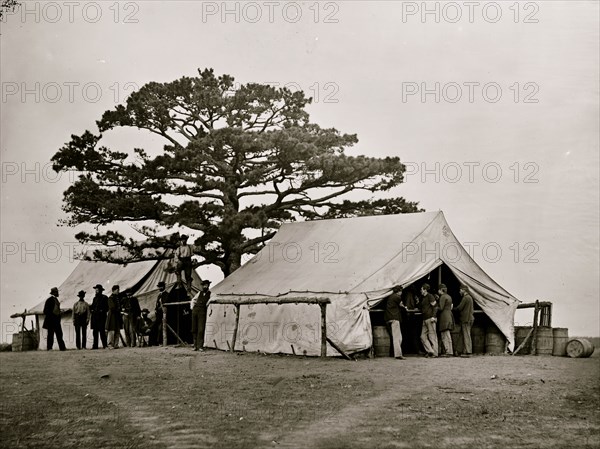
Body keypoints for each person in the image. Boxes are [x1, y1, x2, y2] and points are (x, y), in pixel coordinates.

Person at [384, 285, 406, 359]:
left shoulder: (391, 296)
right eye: (401, 291)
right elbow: (401, 305)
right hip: (394, 318)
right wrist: (405, 307)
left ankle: (397, 353)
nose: (401, 293)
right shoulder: (397, 297)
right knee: (397, 337)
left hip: (389, 317)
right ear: (399, 291)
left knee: (398, 337)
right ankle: (398, 354)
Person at [191, 280, 211, 351]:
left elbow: (213, 299)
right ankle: (195, 346)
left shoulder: (211, 294)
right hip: (195, 311)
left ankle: (200, 346)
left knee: (201, 329)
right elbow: (193, 300)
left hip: (202, 312)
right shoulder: (199, 293)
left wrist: (207, 303)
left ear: (208, 286)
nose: (205, 286)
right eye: (204, 285)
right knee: (194, 328)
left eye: (206, 285)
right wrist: (192, 308)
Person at [419, 283, 439, 357]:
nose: (420, 290)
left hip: (430, 318)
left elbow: (435, 307)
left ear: (425, 290)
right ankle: (430, 351)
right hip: (425, 319)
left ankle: (435, 353)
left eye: (421, 289)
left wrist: (433, 316)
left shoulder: (430, 296)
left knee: (432, 336)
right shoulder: (423, 297)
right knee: (422, 336)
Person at [456, 284, 475, 357]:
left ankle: (468, 352)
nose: (459, 291)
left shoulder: (465, 298)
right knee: (462, 335)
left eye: (460, 290)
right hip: (470, 318)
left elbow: (460, 308)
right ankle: (459, 350)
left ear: (464, 290)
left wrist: (453, 308)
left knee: (466, 335)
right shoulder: (470, 298)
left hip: (466, 319)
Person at [437, 284, 455, 357]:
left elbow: (441, 308)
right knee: (448, 335)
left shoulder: (443, 297)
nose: (438, 291)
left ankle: (448, 351)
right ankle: (450, 351)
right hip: (449, 316)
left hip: (444, 317)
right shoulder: (449, 296)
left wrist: (435, 305)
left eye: (438, 289)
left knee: (444, 335)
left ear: (441, 290)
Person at [149, 281, 169, 346]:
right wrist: (156, 309)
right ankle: (154, 342)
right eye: (159, 287)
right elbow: (157, 304)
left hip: (163, 314)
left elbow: (165, 304)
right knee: (155, 327)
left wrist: (161, 307)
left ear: (163, 287)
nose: (159, 288)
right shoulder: (159, 295)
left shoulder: (166, 294)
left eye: (160, 287)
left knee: (161, 328)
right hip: (158, 314)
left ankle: (161, 342)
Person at [90, 284, 109, 349]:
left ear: (100, 290)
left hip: (102, 317)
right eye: (96, 290)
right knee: (95, 332)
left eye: (97, 290)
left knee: (102, 332)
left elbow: (107, 308)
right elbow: (92, 306)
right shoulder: (94, 298)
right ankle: (95, 345)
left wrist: (102, 311)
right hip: (95, 317)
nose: (96, 291)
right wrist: (91, 309)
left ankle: (105, 345)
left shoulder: (105, 298)